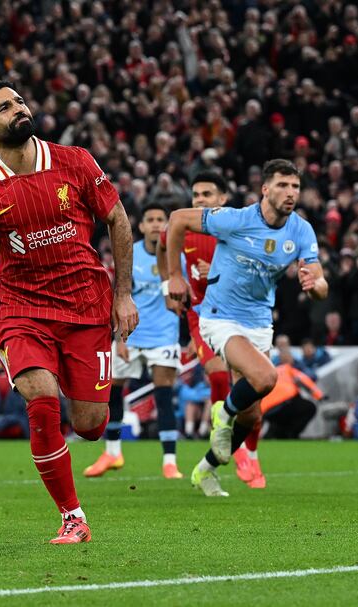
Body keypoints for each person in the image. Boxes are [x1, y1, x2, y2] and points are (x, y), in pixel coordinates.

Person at [0, 81, 137, 544]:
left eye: (19, 101)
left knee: (90, 425)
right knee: (41, 402)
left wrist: (123, 295)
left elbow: (118, 218)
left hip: (86, 306)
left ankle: (85, 416)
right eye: (5, 107)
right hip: (23, 309)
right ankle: (72, 517)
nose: (18, 108)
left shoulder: (74, 160)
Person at [166, 159, 328, 497]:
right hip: (219, 316)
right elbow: (177, 219)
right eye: (282, 185)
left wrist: (315, 285)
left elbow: (320, 283)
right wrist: (175, 277)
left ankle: (206, 469)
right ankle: (222, 416)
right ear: (265, 189)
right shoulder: (236, 219)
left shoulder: (301, 230)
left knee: (252, 416)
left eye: (295, 186)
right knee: (266, 377)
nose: (290, 193)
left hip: (259, 322)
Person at [158, 171, 266, 489]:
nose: (200, 200)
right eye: (196, 195)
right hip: (202, 315)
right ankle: (225, 434)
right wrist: (170, 283)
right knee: (218, 377)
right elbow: (163, 246)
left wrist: (220, 272)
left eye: (207, 194)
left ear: (223, 199)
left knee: (253, 399)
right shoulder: (186, 227)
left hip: (241, 314)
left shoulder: (238, 227)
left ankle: (249, 454)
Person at [84, 203, 184, 479]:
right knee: (112, 391)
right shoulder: (130, 254)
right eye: (150, 219)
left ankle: (170, 462)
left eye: (160, 219)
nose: (155, 224)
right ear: (141, 226)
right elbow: (118, 296)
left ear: (167, 225)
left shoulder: (177, 256)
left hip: (164, 335)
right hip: (130, 334)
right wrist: (119, 338)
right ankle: (112, 453)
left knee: (164, 396)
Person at [260, 350, 324, 439]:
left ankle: (275, 433)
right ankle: (290, 434)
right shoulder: (289, 369)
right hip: (285, 402)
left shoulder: (271, 371)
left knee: (291, 409)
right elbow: (305, 380)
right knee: (310, 407)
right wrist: (320, 396)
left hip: (266, 410)